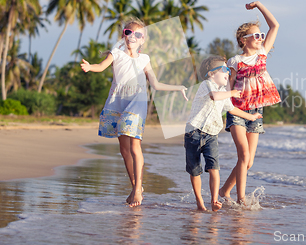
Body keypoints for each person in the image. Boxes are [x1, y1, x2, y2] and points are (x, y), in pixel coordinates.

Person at [80, 17, 187, 207]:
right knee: (123, 150)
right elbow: (101, 66)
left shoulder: (145, 59)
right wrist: (90, 68)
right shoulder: (117, 54)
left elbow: (155, 84)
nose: (133, 37)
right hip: (117, 103)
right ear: (124, 35)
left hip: (137, 104)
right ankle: (135, 186)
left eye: (138, 34)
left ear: (143, 39)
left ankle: (138, 191)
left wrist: (178, 87)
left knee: (134, 146)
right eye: (129, 33)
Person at [219, 1, 281, 204]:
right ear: (243, 40)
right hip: (237, 110)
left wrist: (260, 6)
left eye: (261, 36)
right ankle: (242, 199)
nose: (260, 38)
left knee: (249, 162)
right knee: (243, 155)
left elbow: (275, 26)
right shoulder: (234, 61)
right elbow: (228, 88)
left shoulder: (262, 54)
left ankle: (224, 191)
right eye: (256, 35)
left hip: (256, 110)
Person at [185, 56, 262, 211]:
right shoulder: (206, 85)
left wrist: (251, 116)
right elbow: (214, 96)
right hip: (194, 133)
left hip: (212, 135)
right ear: (212, 74)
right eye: (224, 69)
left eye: (228, 69)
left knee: (214, 168)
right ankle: (199, 201)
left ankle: (214, 200)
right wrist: (232, 92)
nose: (228, 72)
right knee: (195, 170)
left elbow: (231, 109)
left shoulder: (223, 91)